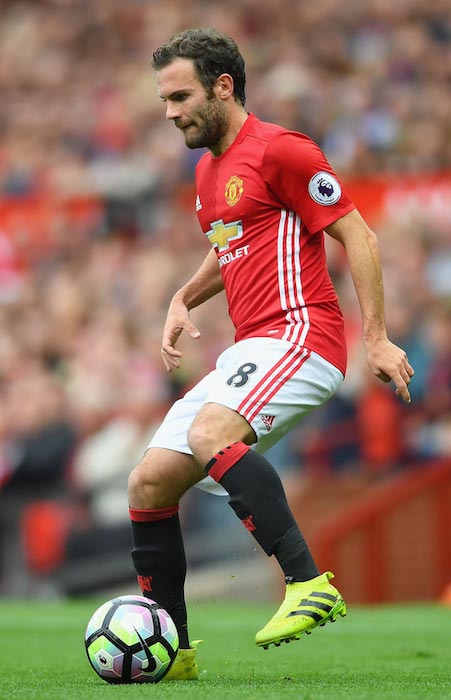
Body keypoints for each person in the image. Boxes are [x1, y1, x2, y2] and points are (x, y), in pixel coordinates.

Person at [127, 27, 414, 680]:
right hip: (249, 346)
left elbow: (357, 234)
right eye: (163, 101)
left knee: (209, 432)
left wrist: (372, 335)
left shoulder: (281, 149)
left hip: (301, 333)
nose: (169, 114)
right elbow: (231, 240)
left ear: (222, 86)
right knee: (147, 481)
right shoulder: (207, 171)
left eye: (179, 97)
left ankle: (306, 582)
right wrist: (183, 296)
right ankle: (171, 652)